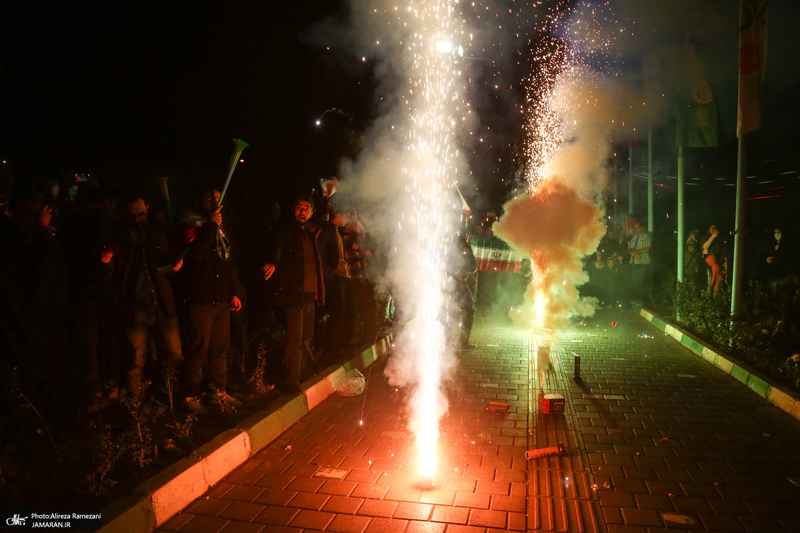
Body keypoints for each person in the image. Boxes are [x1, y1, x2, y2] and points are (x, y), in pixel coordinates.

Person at [110, 194, 183, 397]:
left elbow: (169, 254)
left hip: (161, 302)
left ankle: (170, 395)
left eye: (141, 214)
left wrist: (175, 264)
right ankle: (136, 408)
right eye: (132, 216)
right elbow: (113, 272)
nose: (137, 220)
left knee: (173, 353)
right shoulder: (120, 237)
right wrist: (107, 262)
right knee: (135, 360)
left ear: (147, 209)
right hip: (136, 307)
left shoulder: (156, 231)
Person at [176, 188, 242, 413]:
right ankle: (189, 396)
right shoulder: (190, 226)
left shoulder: (219, 228)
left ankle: (218, 393)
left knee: (219, 350)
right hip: (201, 301)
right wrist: (211, 225)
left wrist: (232, 291)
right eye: (209, 199)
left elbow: (226, 262)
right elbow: (195, 255)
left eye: (217, 198)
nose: (215, 202)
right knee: (197, 352)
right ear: (198, 202)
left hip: (220, 300)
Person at [263, 196, 325, 394]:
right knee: (294, 340)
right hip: (293, 294)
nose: (302, 211)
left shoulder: (312, 233)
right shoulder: (286, 231)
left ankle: (299, 372)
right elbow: (277, 249)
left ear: (311, 213)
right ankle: (291, 381)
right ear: (293, 211)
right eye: (299, 207)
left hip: (309, 294)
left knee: (306, 336)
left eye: (306, 208)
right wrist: (273, 261)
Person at [446, 230, 478, 349]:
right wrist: (470, 276)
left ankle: (446, 342)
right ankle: (463, 342)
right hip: (458, 284)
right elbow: (472, 265)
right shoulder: (465, 247)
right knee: (469, 310)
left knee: (448, 312)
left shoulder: (447, 246)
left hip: (445, 284)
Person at [627, 220, 652, 306]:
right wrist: (632, 253)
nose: (636, 230)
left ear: (642, 228)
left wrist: (636, 252)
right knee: (634, 281)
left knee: (641, 282)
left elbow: (647, 249)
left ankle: (642, 300)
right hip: (634, 262)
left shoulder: (646, 236)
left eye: (638, 228)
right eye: (635, 228)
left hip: (642, 263)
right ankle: (636, 298)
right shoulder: (635, 237)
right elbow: (629, 248)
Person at [701, 224, 724, 294]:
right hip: (709, 263)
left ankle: (717, 295)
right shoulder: (705, 237)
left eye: (715, 228)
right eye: (712, 228)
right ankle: (708, 296)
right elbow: (705, 246)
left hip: (718, 262)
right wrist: (713, 237)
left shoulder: (719, 238)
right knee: (710, 279)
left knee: (719, 278)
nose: (713, 230)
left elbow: (722, 249)